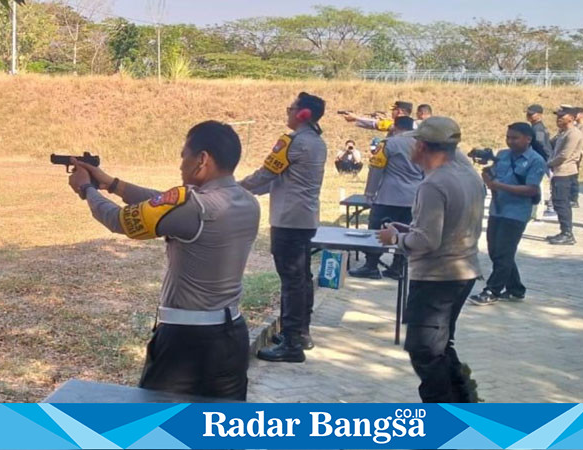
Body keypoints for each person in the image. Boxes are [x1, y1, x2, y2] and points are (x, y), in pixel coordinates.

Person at [67, 121, 260, 400]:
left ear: (202, 160)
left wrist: (88, 189)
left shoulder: (197, 207)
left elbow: (120, 220)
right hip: (232, 337)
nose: (181, 165)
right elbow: (162, 202)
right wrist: (111, 184)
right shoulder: (246, 201)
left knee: (158, 429)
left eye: (184, 156)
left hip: (186, 343)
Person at [378, 116, 484, 403]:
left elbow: (427, 241)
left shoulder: (434, 184)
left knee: (425, 350)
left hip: (439, 276)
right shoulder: (469, 175)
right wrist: (410, 230)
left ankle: (445, 413)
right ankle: (464, 399)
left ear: (421, 145)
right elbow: (447, 226)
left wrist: (395, 239)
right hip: (463, 270)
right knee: (439, 345)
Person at [240, 92, 327, 363]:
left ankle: (291, 344)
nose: (287, 112)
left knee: (291, 281)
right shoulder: (317, 142)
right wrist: (248, 190)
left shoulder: (292, 142)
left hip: (288, 220)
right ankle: (300, 333)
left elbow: (267, 174)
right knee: (301, 278)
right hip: (305, 219)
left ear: (303, 114)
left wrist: (236, 187)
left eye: (291, 108)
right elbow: (280, 180)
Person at [468, 123, 547, 306]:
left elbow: (531, 189)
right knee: (496, 251)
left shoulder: (536, 160)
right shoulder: (503, 155)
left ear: (528, 139)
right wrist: (487, 175)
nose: (510, 141)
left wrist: (499, 186)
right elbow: (494, 175)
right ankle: (515, 289)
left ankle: (492, 290)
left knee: (504, 252)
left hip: (517, 212)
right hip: (498, 209)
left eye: (515, 137)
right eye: (508, 137)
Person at [349, 116, 424, 280]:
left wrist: (369, 192)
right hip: (414, 197)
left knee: (376, 230)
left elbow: (376, 168)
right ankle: (398, 267)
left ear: (395, 127)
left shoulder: (388, 144)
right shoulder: (422, 144)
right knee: (406, 231)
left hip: (389, 196)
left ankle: (371, 265)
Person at [546, 106, 583, 245]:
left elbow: (564, 155)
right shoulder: (563, 132)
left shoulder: (573, 134)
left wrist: (549, 164)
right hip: (559, 170)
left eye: (562, 117)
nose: (558, 119)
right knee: (558, 202)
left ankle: (567, 234)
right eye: (558, 117)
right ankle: (564, 231)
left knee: (562, 203)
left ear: (572, 118)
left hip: (565, 171)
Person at [526, 104, 555, 218]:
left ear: (539, 115)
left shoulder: (537, 128)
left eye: (531, 114)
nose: (528, 116)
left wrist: (549, 161)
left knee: (538, 185)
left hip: (541, 160)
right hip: (539, 159)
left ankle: (538, 212)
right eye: (528, 113)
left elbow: (542, 145)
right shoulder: (535, 127)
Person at [342, 101, 413, 137]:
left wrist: (356, 118)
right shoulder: (413, 124)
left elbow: (375, 124)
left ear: (399, 111)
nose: (392, 112)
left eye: (394, 110)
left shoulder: (395, 125)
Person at [571, 106, 583, 208]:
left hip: (577, 153)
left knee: (574, 176)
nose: (575, 115)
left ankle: (574, 199)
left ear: (582, 115)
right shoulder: (575, 125)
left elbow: (579, 140)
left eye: (577, 113)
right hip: (572, 152)